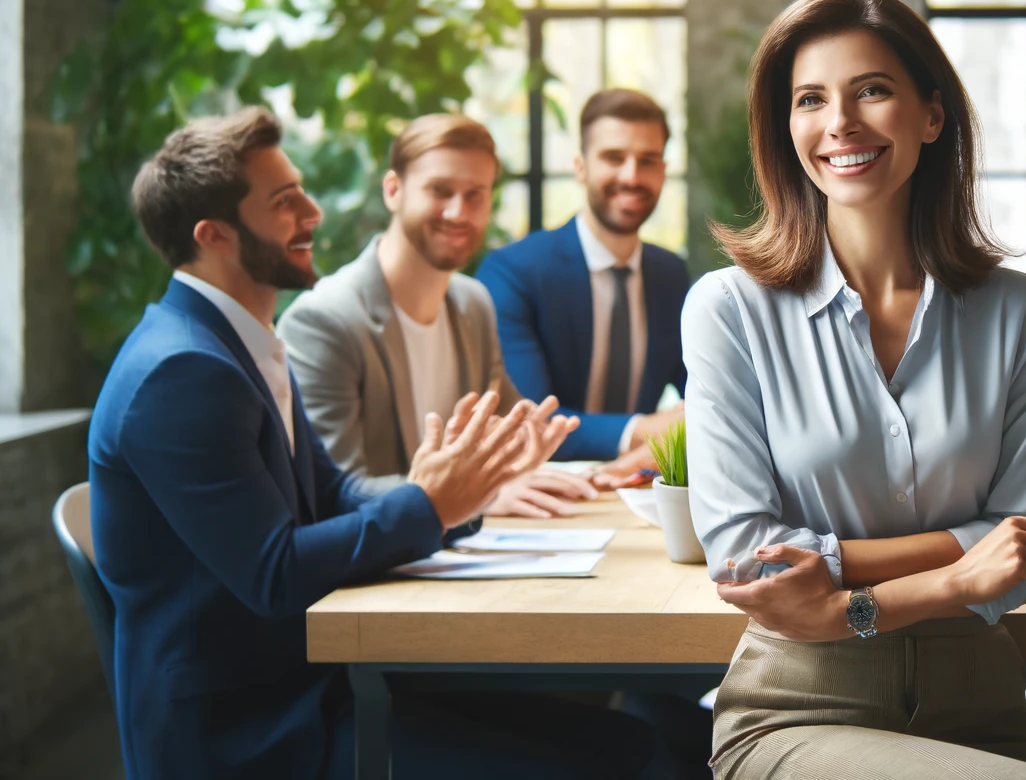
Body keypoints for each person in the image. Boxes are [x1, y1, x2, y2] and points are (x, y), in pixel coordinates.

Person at [87, 107, 653, 779]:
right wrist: (430, 503)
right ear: (215, 236)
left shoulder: (240, 344)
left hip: (320, 685)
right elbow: (274, 575)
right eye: (283, 200)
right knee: (620, 762)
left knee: (634, 744)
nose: (312, 210)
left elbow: (336, 493)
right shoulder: (182, 372)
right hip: (255, 729)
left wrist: (455, 491)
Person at [683, 0, 1026, 779]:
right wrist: (957, 573)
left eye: (873, 91)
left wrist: (835, 585)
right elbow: (749, 562)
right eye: (811, 100)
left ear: (932, 116)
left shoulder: (1016, 311)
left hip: (984, 714)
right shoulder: (729, 310)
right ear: (786, 129)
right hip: (797, 711)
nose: (841, 124)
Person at [279, 114, 601, 518]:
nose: (457, 212)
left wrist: (528, 443)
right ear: (393, 190)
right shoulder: (324, 321)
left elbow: (510, 421)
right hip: (377, 571)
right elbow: (334, 492)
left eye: (475, 195)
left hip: (466, 555)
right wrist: (476, 497)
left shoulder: (473, 303)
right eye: (440, 190)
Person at [477, 88, 688, 486]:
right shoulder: (513, 272)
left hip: (637, 488)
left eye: (647, 161)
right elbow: (533, 423)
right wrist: (654, 427)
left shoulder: (670, 274)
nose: (631, 176)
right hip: (541, 495)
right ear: (580, 167)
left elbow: (711, 397)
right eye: (613, 158)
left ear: (663, 170)